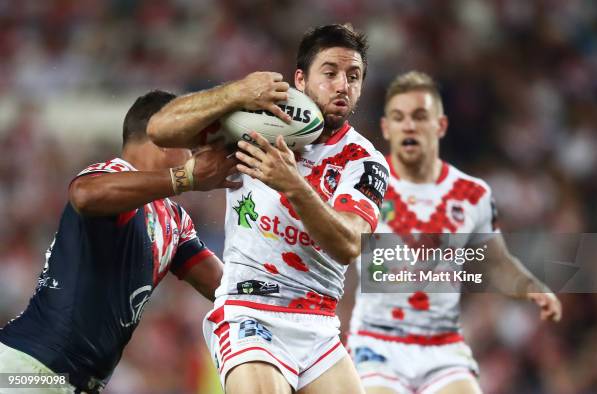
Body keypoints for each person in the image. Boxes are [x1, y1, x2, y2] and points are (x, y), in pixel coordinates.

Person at [147, 24, 389, 394]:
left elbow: (349, 244)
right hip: (250, 308)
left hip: (318, 324)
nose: (343, 85)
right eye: (330, 73)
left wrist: (293, 184)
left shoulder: (363, 161)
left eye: (353, 76)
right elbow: (160, 129)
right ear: (300, 79)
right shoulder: (256, 122)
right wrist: (233, 93)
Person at [0, 90, 240, 394]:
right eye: (191, 144)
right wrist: (185, 178)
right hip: (29, 369)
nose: (194, 155)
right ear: (162, 136)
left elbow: (227, 289)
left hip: (72, 382)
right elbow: (84, 195)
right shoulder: (114, 173)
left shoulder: (174, 219)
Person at [347, 71, 563, 394]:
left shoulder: (472, 194)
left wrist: (531, 286)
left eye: (420, 116)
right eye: (399, 117)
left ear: (441, 126)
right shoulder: (363, 182)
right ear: (386, 128)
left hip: (442, 346)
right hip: (377, 341)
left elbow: (497, 263)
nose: (409, 126)